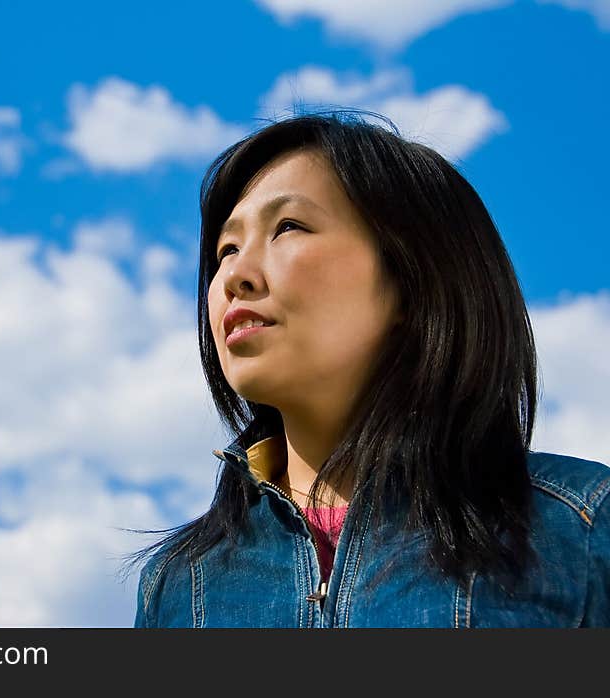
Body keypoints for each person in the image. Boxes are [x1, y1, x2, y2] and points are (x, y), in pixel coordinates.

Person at [124, 112, 610, 628]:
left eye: (288, 226)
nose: (234, 277)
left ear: (413, 277)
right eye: (226, 249)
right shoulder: (177, 585)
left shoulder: (581, 528)